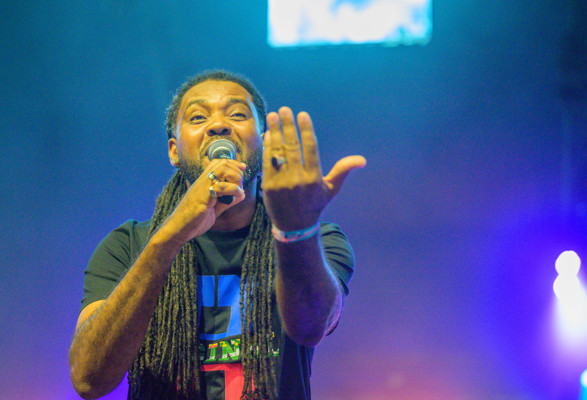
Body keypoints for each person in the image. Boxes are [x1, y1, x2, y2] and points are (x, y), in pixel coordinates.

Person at [69, 69, 366, 400]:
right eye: (198, 117)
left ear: (263, 142)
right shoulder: (127, 245)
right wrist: (169, 239)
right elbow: (89, 379)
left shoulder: (314, 241)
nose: (219, 125)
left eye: (237, 114)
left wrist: (296, 229)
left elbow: (311, 327)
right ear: (174, 151)